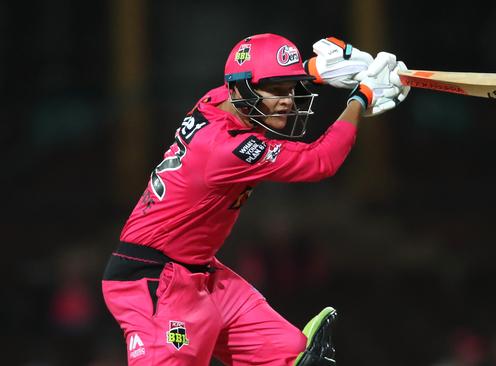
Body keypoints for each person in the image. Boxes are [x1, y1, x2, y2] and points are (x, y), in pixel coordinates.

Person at [101, 33, 409, 366]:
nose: (288, 101)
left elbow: (250, 76)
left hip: (200, 274)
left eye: (290, 89)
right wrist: (360, 97)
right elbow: (322, 161)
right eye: (277, 91)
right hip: (151, 282)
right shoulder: (226, 150)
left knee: (292, 355)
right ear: (241, 92)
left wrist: (319, 70)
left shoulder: (215, 100)